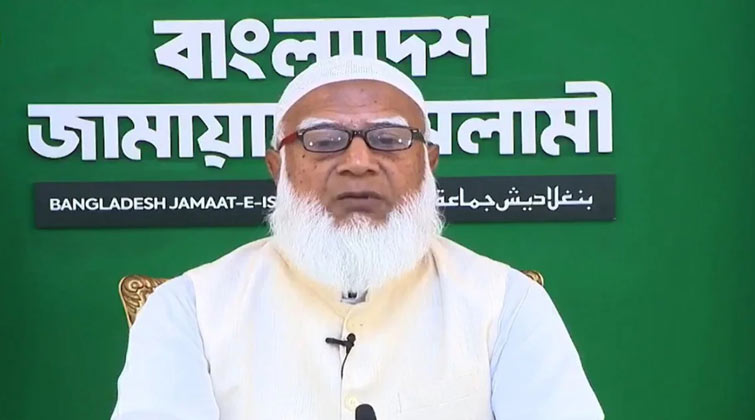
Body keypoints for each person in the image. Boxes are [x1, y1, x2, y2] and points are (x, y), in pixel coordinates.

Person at [111, 55, 604, 420]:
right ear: (278, 168)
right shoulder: (189, 311)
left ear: (428, 164)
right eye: (323, 141)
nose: (358, 162)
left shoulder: (506, 304)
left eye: (389, 140)